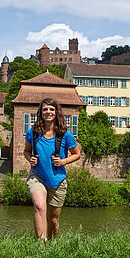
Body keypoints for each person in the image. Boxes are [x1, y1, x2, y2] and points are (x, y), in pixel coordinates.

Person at [23, 98, 81, 242]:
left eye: (51, 109)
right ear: (40, 112)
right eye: (45, 109)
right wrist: (30, 159)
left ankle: (52, 243)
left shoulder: (65, 135)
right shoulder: (33, 132)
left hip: (57, 180)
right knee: (39, 206)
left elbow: (77, 154)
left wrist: (63, 161)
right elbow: (26, 151)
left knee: (53, 220)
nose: (48, 112)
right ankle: (41, 244)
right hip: (37, 176)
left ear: (56, 112)